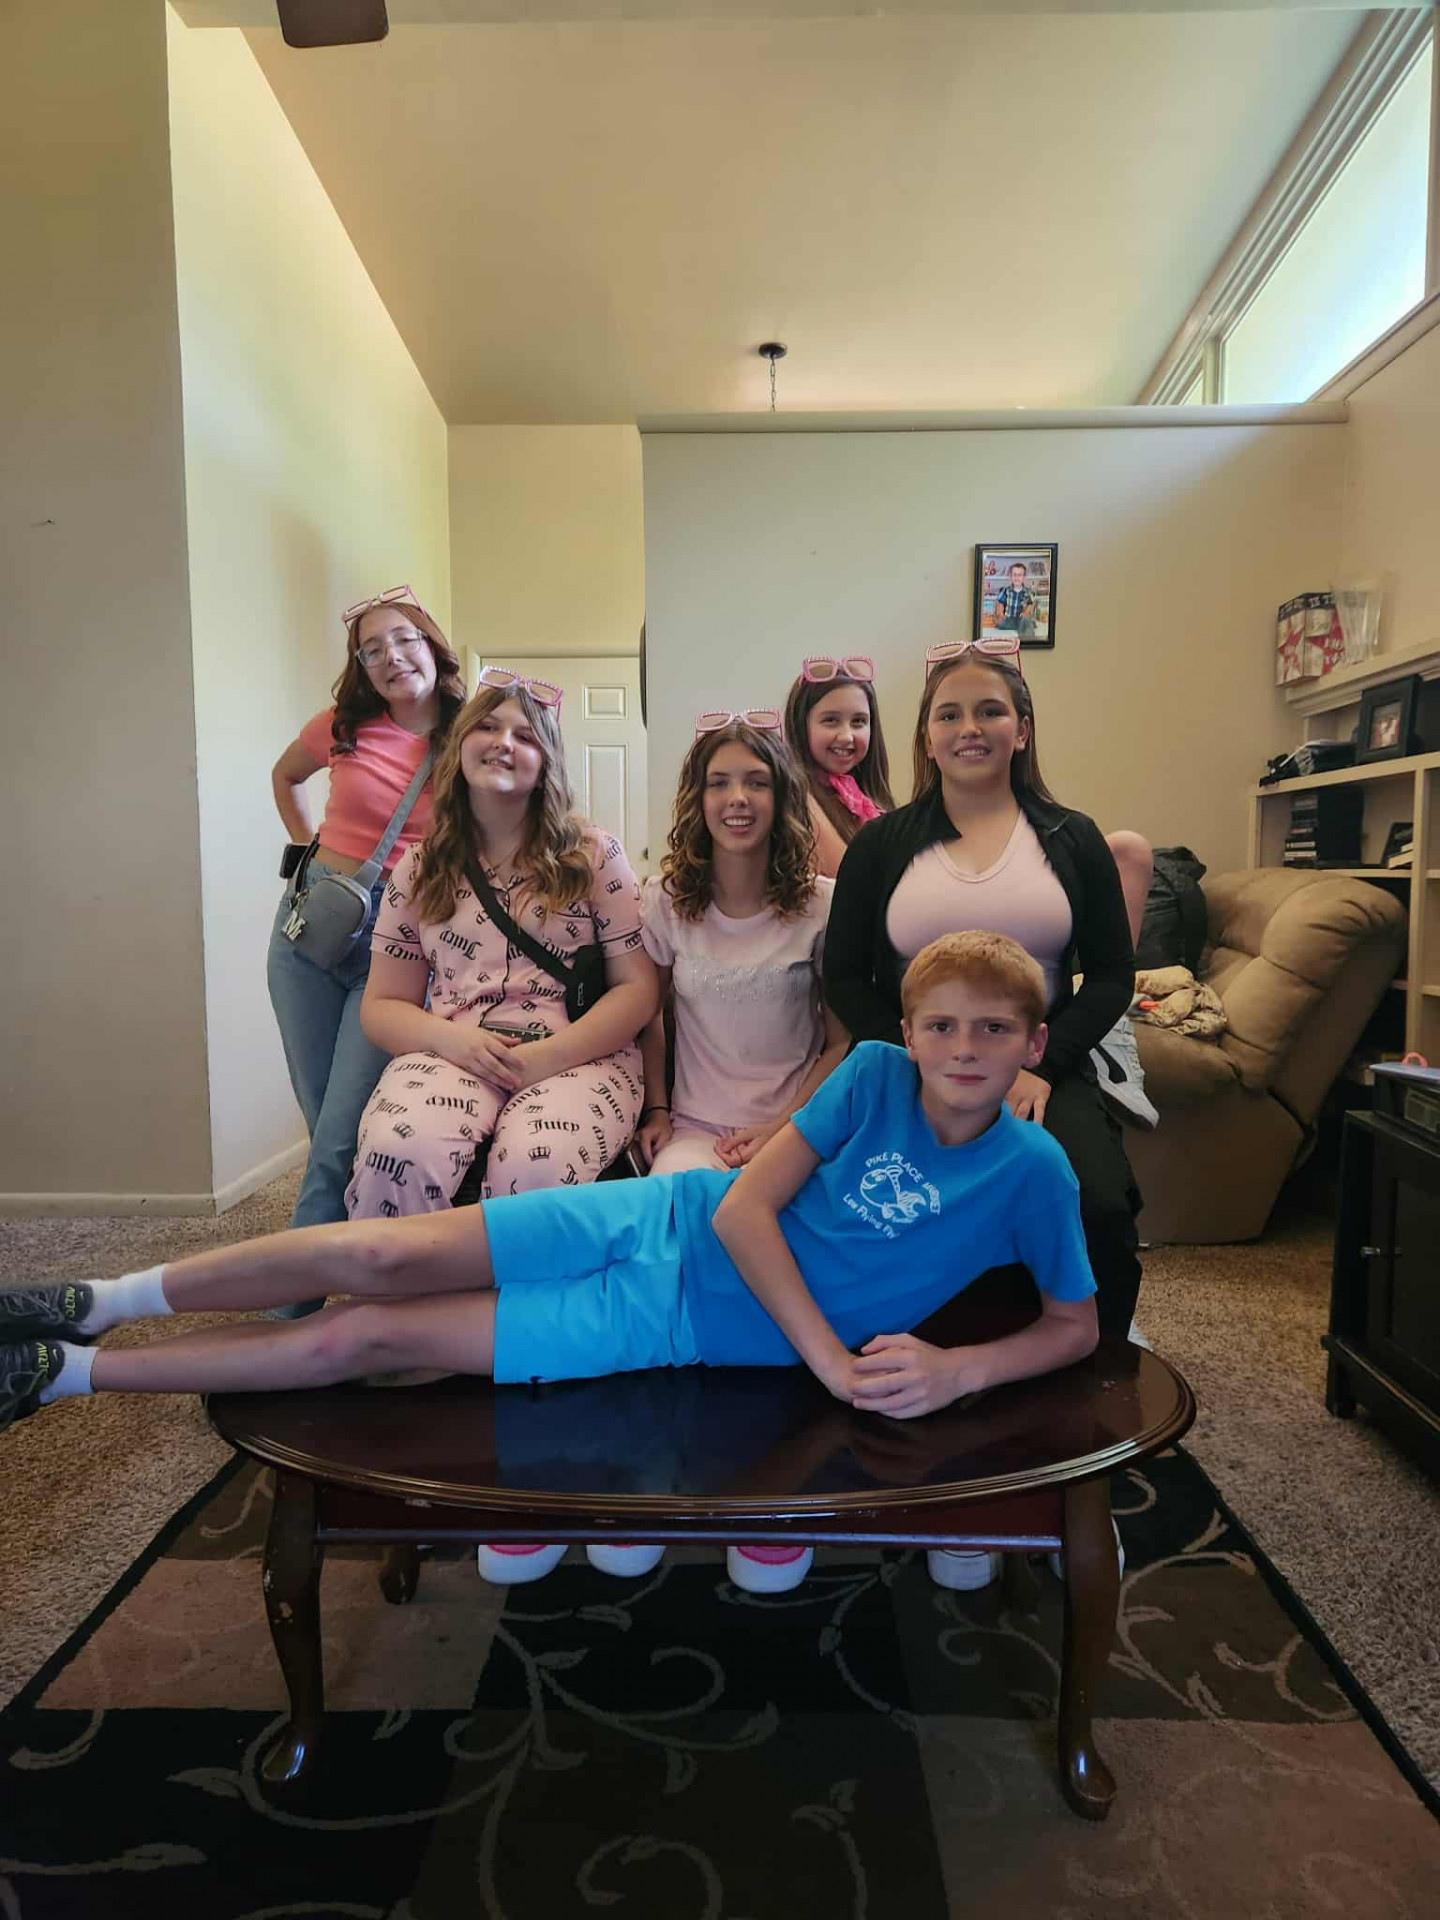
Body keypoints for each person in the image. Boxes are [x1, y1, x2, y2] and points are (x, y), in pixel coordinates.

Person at [2, 932, 1098, 1604]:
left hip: (661, 1326)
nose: (964, 1050)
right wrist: (828, 1359)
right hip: (661, 1217)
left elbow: (1074, 1326)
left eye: (993, 1031)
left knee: (367, 1336)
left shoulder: (1034, 1173)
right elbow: (745, 1211)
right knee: (375, 1251)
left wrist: (959, 1370)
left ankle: (67, 1375)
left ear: (1033, 1046)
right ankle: (99, 1299)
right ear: (908, 1028)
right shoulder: (873, 1073)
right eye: (942, 1026)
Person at [824, 636, 1145, 1344]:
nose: (969, 728)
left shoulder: (1073, 837)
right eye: (949, 715)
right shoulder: (880, 846)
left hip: (1040, 1064)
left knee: (1097, 1207)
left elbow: (1112, 976)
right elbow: (843, 976)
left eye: (990, 711)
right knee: (868, 1211)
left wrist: (1041, 1065)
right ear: (927, 738)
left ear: (1021, 730)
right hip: (907, 1065)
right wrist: (916, 1060)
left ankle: (1096, 1372)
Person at [345, 669, 657, 1217]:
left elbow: (638, 991)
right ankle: (409, 1277)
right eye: (487, 727)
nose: (503, 743)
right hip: (452, 1051)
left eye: (525, 735)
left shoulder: (595, 856)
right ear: (460, 746)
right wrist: (453, 1042)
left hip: (580, 1055)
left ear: (546, 762)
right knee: (396, 1154)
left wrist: (544, 1058)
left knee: (537, 1165)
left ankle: (511, 1280)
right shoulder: (417, 869)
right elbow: (382, 1006)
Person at [268, 586, 464, 1234]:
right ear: (362, 667)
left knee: (340, 1133)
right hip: (308, 928)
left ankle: (300, 1280)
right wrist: (306, 850)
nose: (391, 657)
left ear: (432, 645)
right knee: (321, 1117)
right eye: (372, 649)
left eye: (404, 639)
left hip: (397, 945)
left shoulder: (469, 736)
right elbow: (285, 776)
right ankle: (353, 1246)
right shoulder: (342, 724)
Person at [637, 711, 849, 1178]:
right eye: (719, 783)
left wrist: (785, 1126)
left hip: (795, 1130)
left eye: (757, 782)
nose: (738, 798)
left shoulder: (824, 906)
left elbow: (840, 1044)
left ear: (782, 797)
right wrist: (656, 1109)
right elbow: (648, 1015)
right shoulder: (664, 902)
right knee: (677, 1207)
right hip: (694, 1133)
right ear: (698, 798)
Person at [782, 656, 896, 880]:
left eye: (858, 721)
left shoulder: (868, 800)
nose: (846, 736)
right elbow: (852, 879)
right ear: (801, 725)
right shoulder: (794, 799)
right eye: (831, 720)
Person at [990, 561, 1038, 639]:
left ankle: (1026, 639)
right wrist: (1000, 613)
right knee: (1000, 622)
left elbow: (1030, 604)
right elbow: (1000, 603)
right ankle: (1023, 626)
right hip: (1009, 619)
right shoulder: (1006, 590)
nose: (1017, 577)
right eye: (1014, 575)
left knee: (1026, 621)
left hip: (1021, 618)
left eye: (1019, 575)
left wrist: (1026, 612)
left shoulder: (1027, 592)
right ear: (1010, 577)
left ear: (1024, 577)